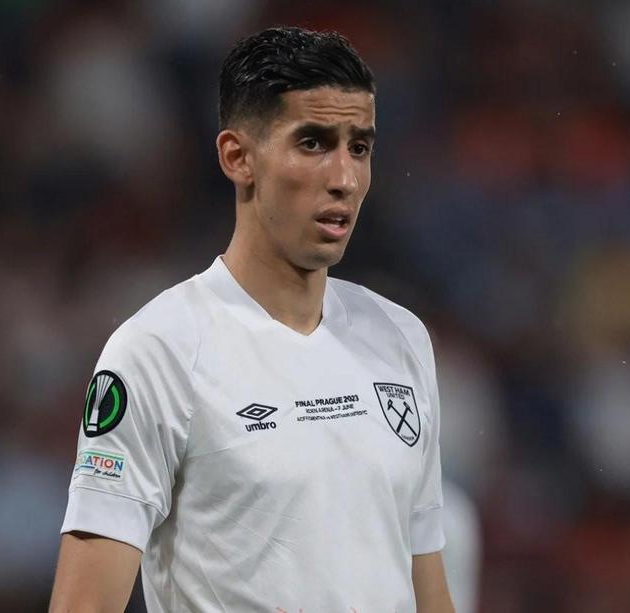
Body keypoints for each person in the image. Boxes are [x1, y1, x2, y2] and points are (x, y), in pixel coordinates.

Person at [49, 26, 454, 613]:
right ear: (238, 157)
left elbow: (427, 588)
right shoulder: (159, 350)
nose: (344, 178)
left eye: (359, 147)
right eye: (313, 143)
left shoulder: (401, 337)